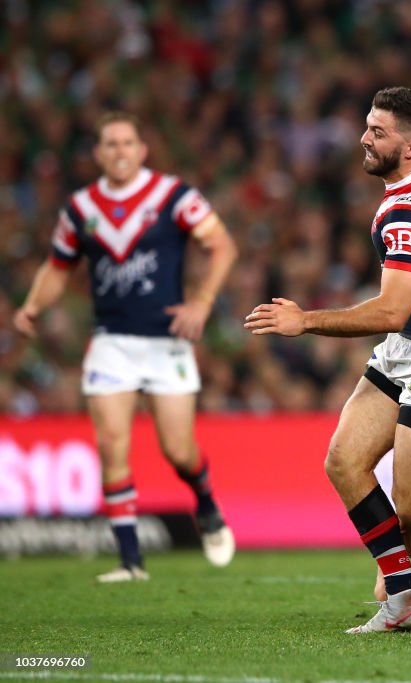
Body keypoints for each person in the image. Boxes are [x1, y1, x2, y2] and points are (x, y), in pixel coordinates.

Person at [244, 87, 411, 633]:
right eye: (368, 125)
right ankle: (407, 600)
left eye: (377, 132)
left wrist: (305, 320)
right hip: (408, 348)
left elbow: (390, 309)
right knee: (344, 461)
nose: (363, 138)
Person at [13, 111, 239, 582]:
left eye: (127, 143)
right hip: (111, 343)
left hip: (166, 343)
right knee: (111, 445)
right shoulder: (81, 208)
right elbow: (58, 266)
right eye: (110, 144)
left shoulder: (172, 196)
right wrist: (33, 305)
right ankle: (131, 561)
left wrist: (201, 300)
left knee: (178, 451)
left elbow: (221, 245)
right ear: (98, 154)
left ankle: (205, 501)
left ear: (142, 150)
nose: (119, 151)